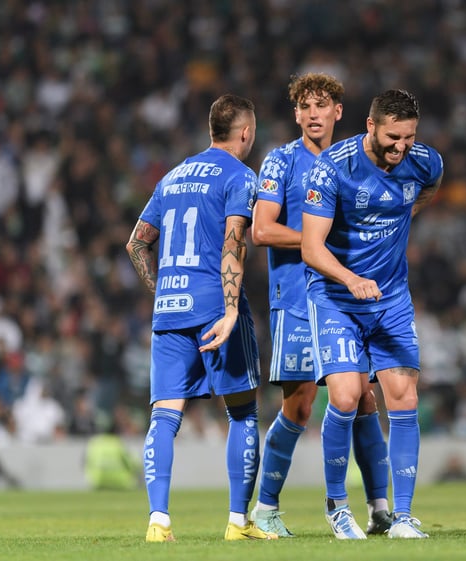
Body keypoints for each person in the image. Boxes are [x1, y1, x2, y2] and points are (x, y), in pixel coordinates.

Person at [126, 94, 276, 543]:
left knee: (164, 418)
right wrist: (231, 310)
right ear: (246, 132)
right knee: (244, 414)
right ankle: (237, 521)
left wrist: (164, 290)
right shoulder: (240, 176)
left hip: (169, 309)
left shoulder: (171, 177)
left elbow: (136, 243)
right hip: (215, 307)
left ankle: (158, 521)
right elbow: (235, 244)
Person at [249, 73, 391, 537]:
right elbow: (263, 230)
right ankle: (266, 508)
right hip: (294, 298)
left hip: (344, 298)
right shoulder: (280, 162)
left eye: (322, 105)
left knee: (364, 397)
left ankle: (378, 507)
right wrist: (316, 240)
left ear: (338, 112)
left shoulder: (354, 161)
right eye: (306, 106)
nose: (314, 113)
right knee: (300, 406)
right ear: (296, 114)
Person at [301, 89, 443, 539]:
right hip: (337, 298)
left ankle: (400, 516)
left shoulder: (424, 162)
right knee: (345, 397)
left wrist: (406, 212)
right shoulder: (333, 168)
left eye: (409, 137)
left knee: (404, 398)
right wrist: (350, 279)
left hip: (392, 298)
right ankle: (337, 505)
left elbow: (430, 185)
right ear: (370, 125)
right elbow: (310, 247)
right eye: (393, 137)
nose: (401, 146)